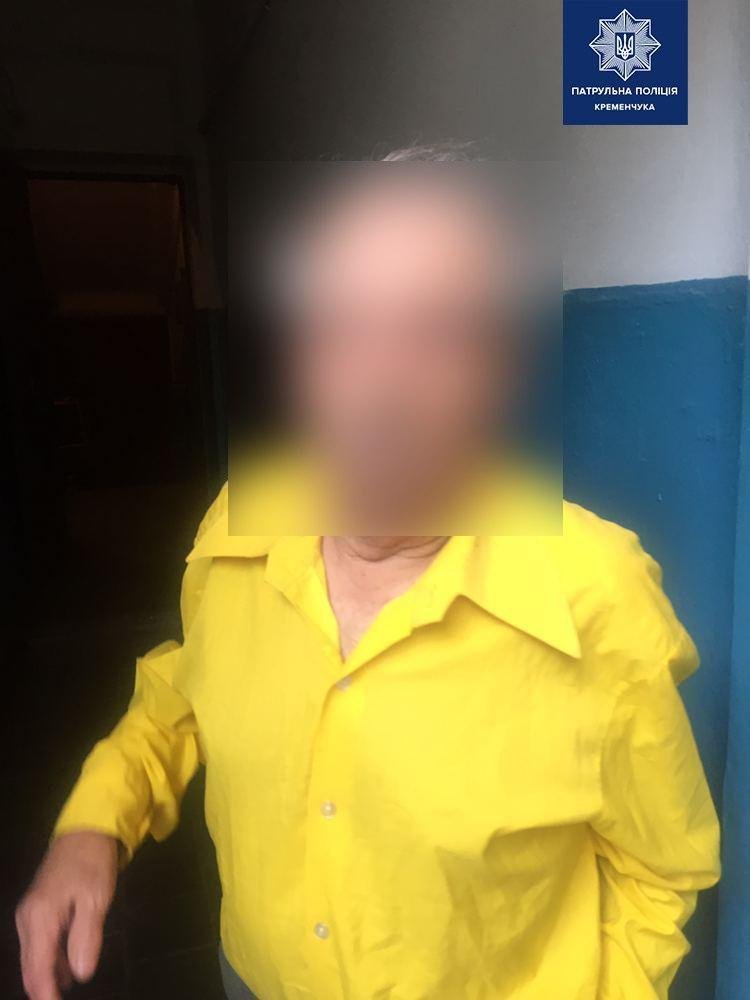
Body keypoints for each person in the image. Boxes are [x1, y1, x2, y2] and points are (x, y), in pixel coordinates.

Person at [16, 146, 720, 1000]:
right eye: (339, 325)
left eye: (436, 333)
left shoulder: (593, 595)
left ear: (500, 372)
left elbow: (662, 874)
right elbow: (185, 694)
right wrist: (96, 820)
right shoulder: (241, 523)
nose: (378, 385)